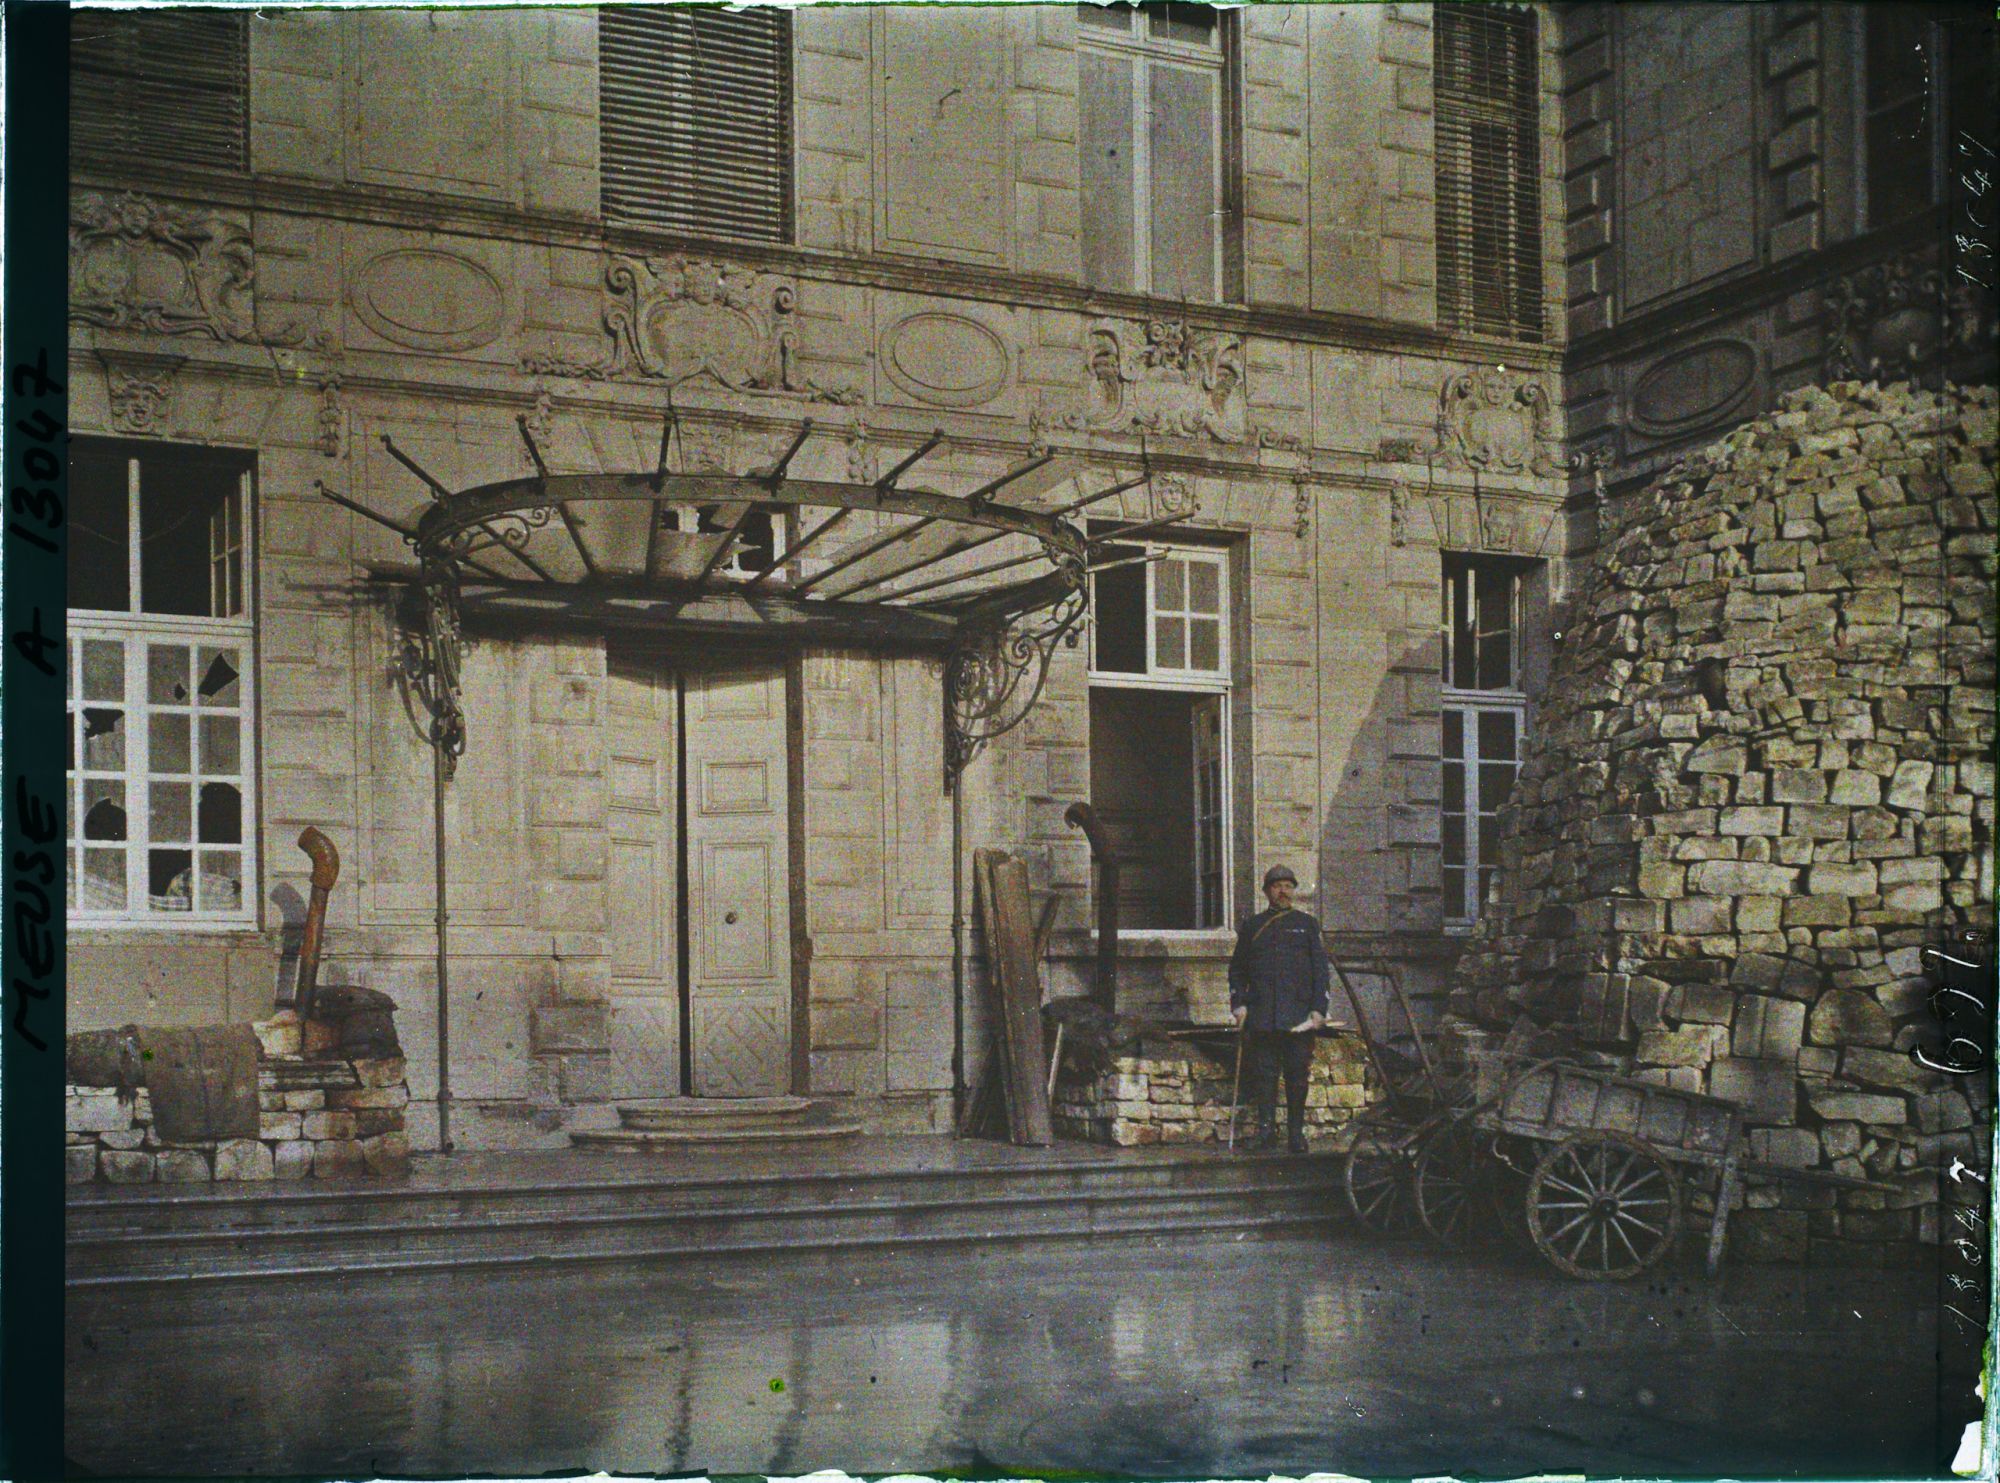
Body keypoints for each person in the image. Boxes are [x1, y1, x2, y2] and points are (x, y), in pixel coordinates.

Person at [1228, 864, 1331, 1153]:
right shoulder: (1252, 926)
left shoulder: (1307, 924)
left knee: (1297, 1076)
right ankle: (1266, 1132)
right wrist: (1239, 1004)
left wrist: (1318, 1009)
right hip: (1262, 1015)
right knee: (1265, 1075)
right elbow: (1237, 970)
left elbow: (1321, 971)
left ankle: (1296, 1134)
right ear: (1266, 891)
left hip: (1298, 1017)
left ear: (1294, 890)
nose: (1283, 890)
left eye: (1288, 885)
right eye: (1276, 886)